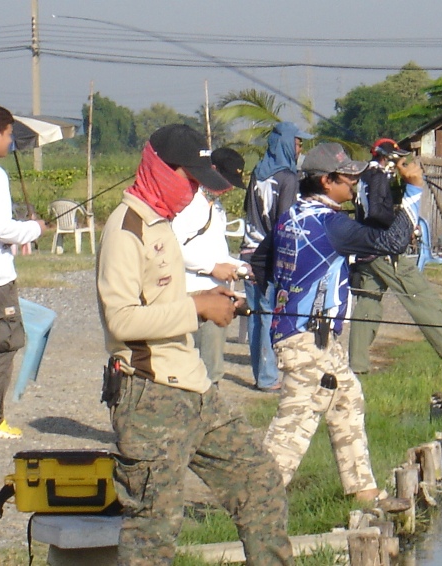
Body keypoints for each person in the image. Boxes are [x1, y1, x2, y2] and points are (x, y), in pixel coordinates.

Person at [96, 124, 292, 566]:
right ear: (158, 168)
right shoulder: (125, 229)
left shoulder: (163, 223)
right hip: (148, 394)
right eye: (189, 180)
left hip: (196, 388)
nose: (193, 192)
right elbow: (122, 319)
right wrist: (199, 308)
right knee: (154, 530)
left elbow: (165, 300)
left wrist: (211, 301)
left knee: (260, 481)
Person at [255, 142, 424, 502]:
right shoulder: (331, 224)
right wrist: (413, 189)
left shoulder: (291, 216)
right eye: (348, 178)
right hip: (304, 338)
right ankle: (256, 500)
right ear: (326, 181)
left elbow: (260, 261)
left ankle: (362, 491)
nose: (354, 185)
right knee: (294, 425)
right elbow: (394, 241)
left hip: (309, 335)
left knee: (347, 398)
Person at [348, 138, 442, 374]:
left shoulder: (366, 176)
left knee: (369, 302)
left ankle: (357, 365)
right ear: (386, 157)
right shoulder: (377, 177)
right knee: (420, 294)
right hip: (382, 249)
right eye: (398, 158)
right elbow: (376, 212)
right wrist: (400, 226)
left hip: (367, 248)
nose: (402, 163)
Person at [0, 103, 46, 439]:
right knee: (0, 345)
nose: (10, 141)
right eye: (9, 135)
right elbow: (0, 228)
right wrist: (33, 229)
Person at [241, 122, 313, 391]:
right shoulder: (288, 178)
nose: (300, 148)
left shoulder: (258, 173)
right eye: (297, 142)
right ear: (285, 144)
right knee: (270, 315)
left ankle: (261, 375)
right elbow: (286, 222)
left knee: (257, 315)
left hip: (248, 250)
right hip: (269, 254)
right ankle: (269, 378)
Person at [171, 147, 251, 382]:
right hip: (193, 290)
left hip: (219, 291)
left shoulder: (216, 206)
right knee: (201, 368)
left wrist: (239, 266)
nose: (227, 188)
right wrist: (211, 267)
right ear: (212, 171)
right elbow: (173, 248)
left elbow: (217, 250)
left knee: (213, 365)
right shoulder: (188, 203)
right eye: (225, 180)